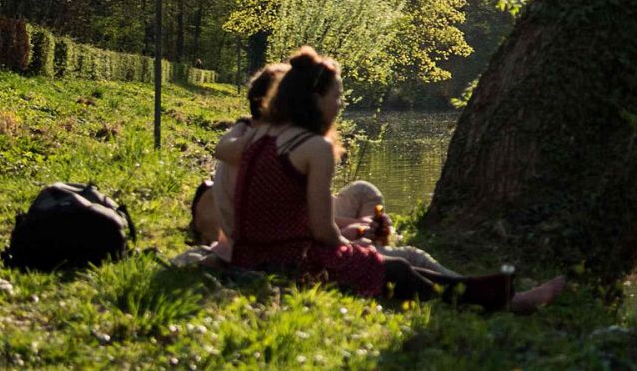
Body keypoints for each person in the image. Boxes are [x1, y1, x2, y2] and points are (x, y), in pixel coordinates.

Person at [216, 46, 563, 310]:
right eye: (337, 95)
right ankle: (506, 303)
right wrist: (354, 245)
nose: (340, 104)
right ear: (315, 98)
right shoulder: (314, 148)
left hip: (249, 257)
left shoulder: (263, 135)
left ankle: (499, 294)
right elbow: (323, 232)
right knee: (395, 269)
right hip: (288, 264)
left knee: (396, 264)